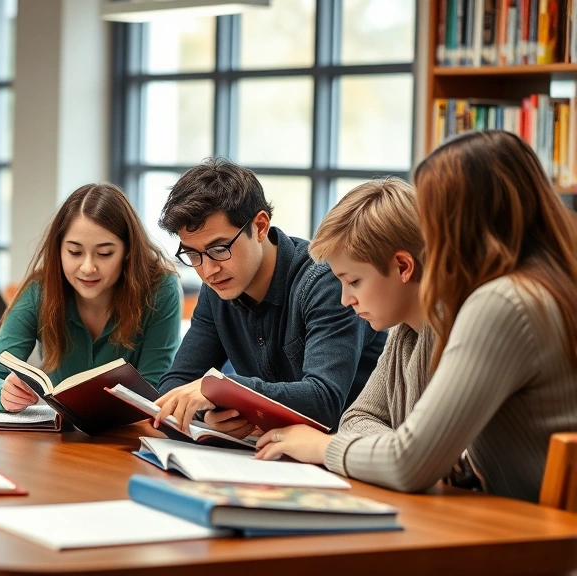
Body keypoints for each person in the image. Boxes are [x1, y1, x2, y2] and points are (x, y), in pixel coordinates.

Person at [257, 130, 577, 503]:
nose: (425, 235)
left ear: (464, 222)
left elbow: (409, 463)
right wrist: (396, 446)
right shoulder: (534, 290)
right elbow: (363, 421)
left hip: (533, 537)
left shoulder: (503, 302)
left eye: (433, 217)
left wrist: (321, 446)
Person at [152, 158, 386, 434]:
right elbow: (175, 386)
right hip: (273, 455)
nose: (208, 270)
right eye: (192, 254)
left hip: (348, 452)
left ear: (260, 227)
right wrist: (210, 417)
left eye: (219, 249)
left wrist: (227, 391)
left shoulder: (325, 283)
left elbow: (324, 401)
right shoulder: (217, 289)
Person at [243, 178, 434, 471]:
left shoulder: (458, 335)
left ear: (404, 267)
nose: (345, 299)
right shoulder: (401, 334)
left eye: (354, 281)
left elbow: (424, 459)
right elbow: (358, 419)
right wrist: (389, 451)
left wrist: (325, 447)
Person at [0, 183, 182, 412]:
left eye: (104, 253)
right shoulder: (40, 291)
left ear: (128, 251)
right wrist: (2, 395)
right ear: (59, 249)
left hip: (128, 439)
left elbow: (154, 390)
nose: (88, 267)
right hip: (62, 441)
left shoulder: (160, 288)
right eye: (74, 252)